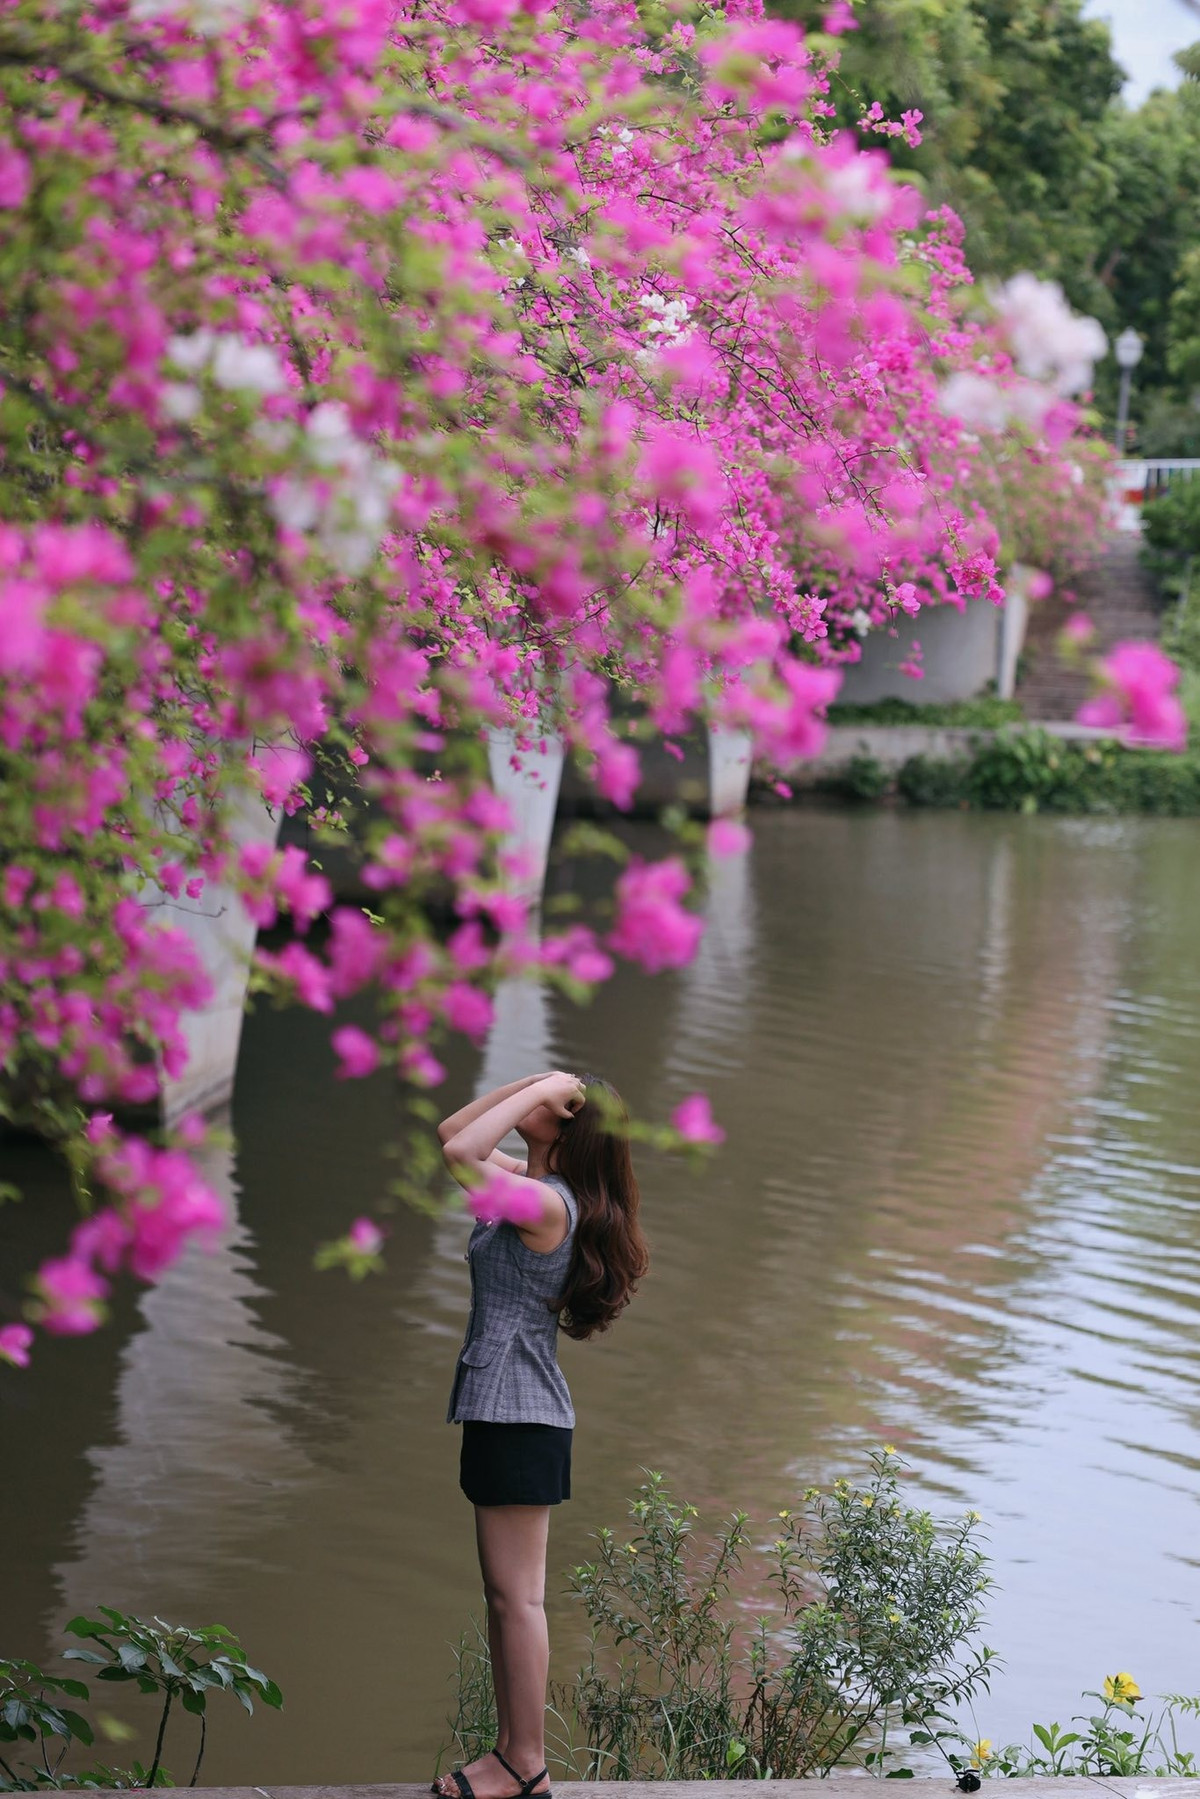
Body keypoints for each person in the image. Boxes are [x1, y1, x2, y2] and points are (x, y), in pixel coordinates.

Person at [432, 1070, 649, 1799]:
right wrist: (540, 1081)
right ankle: (511, 1754)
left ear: (568, 1127)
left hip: (522, 1415)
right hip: (506, 1409)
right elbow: (450, 1135)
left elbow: (461, 1151)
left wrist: (547, 1086)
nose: (540, 1106)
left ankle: (525, 1763)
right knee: (503, 1594)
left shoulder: (546, 1206)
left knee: (517, 1596)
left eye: (557, 1105)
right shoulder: (535, 1185)